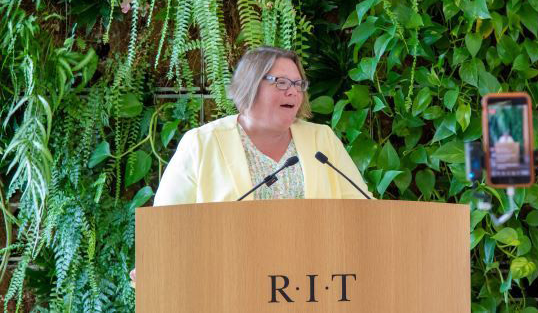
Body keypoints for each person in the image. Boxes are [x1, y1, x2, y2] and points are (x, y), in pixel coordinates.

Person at [130, 46, 373, 286]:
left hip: (313, 286)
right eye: (281, 83)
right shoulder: (202, 143)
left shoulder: (322, 140)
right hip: (229, 286)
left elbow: (363, 211)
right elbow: (166, 224)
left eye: (299, 84)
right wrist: (155, 263)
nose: (293, 92)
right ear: (250, 84)